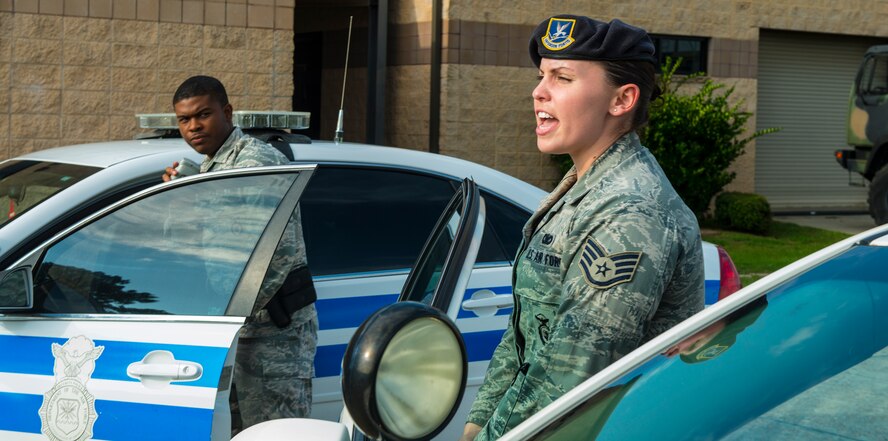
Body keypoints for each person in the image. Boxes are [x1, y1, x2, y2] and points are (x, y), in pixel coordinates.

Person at [461, 15, 704, 441]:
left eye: (563, 77)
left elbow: (571, 375)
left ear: (621, 99)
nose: (538, 91)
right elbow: (526, 334)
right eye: (541, 76)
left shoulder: (631, 212)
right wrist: (478, 424)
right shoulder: (587, 186)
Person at [162, 76, 318, 431]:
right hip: (233, 336)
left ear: (227, 112)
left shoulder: (253, 164)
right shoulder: (211, 167)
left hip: (269, 338)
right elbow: (196, 246)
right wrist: (180, 195)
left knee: (274, 436)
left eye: (203, 115)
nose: (193, 127)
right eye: (184, 120)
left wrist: (229, 315)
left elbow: (277, 256)